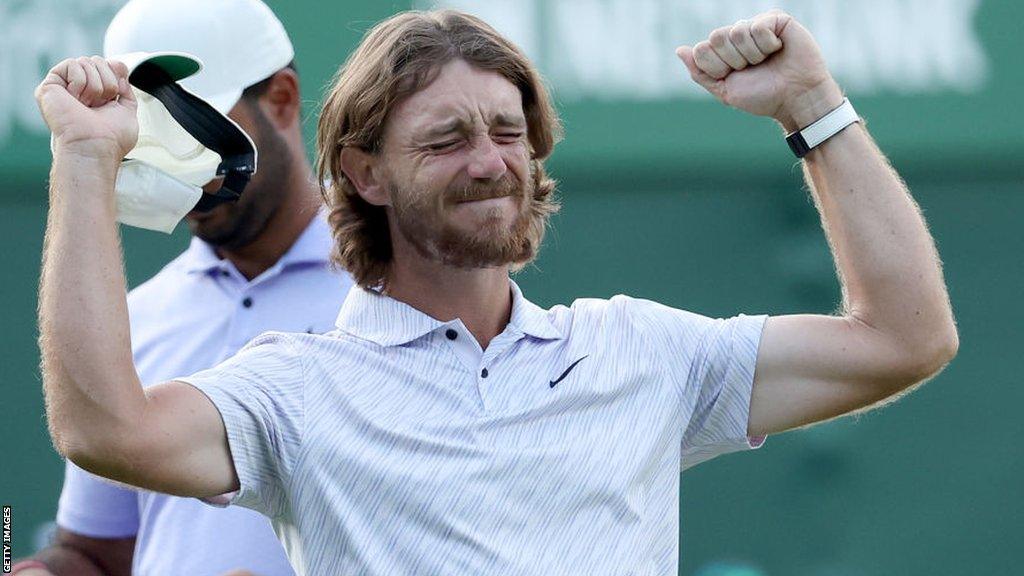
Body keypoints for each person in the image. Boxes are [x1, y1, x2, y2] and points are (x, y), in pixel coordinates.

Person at [32, 8, 958, 575]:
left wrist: (812, 105)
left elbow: (904, 337)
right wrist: (83, 157)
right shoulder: (294, 391)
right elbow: (106, 430)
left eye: (509, 133)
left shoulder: (641, 351)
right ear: (365, 173)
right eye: (445, 140)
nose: (490, 163)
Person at [17, 1, 352, 575]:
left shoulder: (398, 289)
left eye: (203, 128)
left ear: (281, 99)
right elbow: (97, 552)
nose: (187, 168)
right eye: (161, 139)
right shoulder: (135, 318)